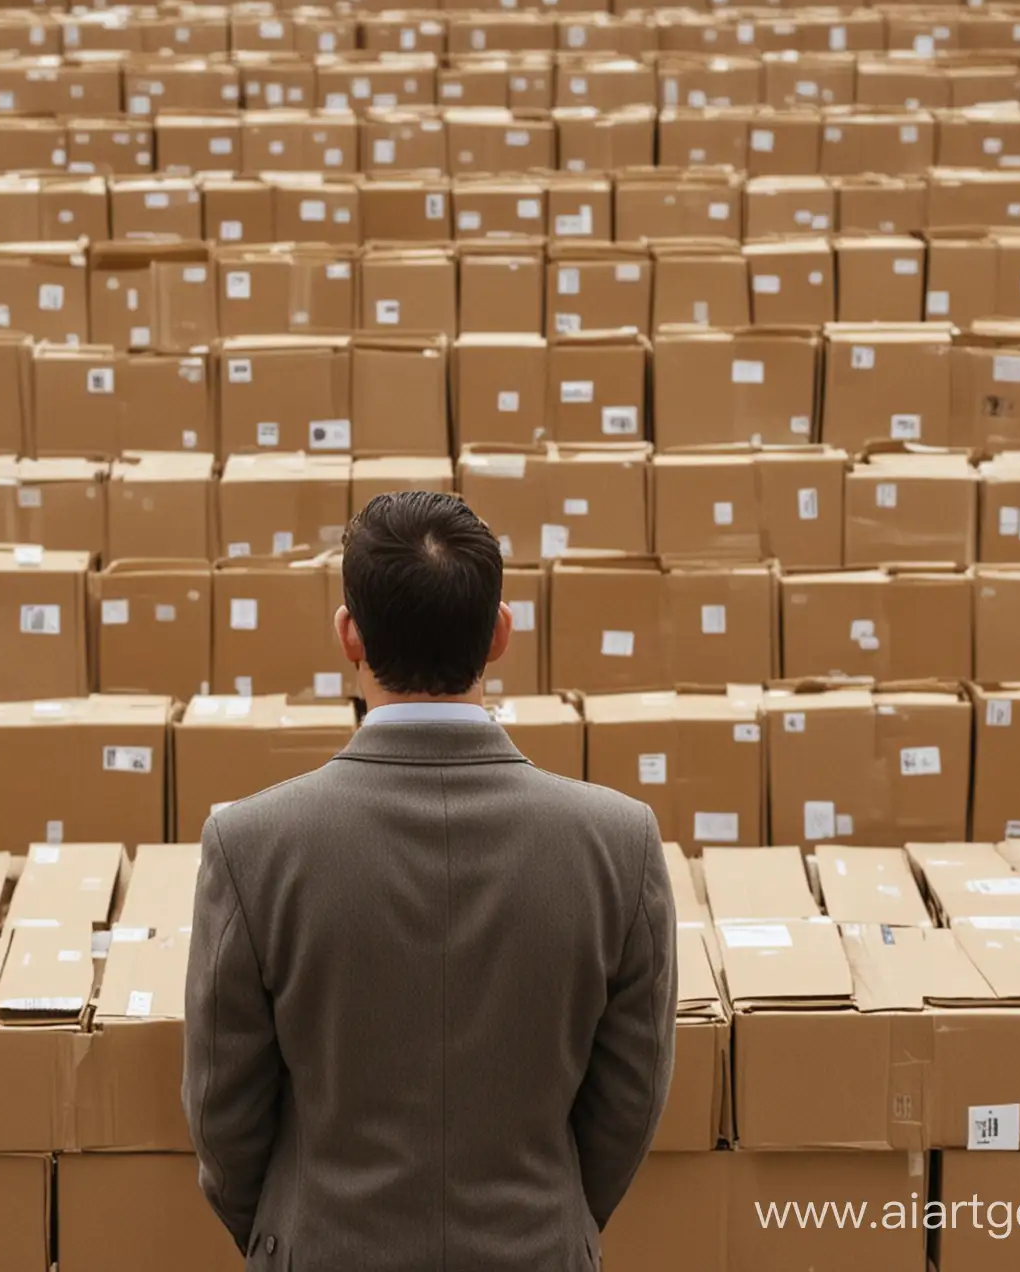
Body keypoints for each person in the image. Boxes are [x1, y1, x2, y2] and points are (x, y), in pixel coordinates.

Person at [184, 490, 676, 1271]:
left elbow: (224, 1113)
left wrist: (291, 1231)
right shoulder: (619, 843)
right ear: (501, 634)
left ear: (349, 635)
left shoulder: (251, 844)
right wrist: (550, 1222)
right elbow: (629, 1103)